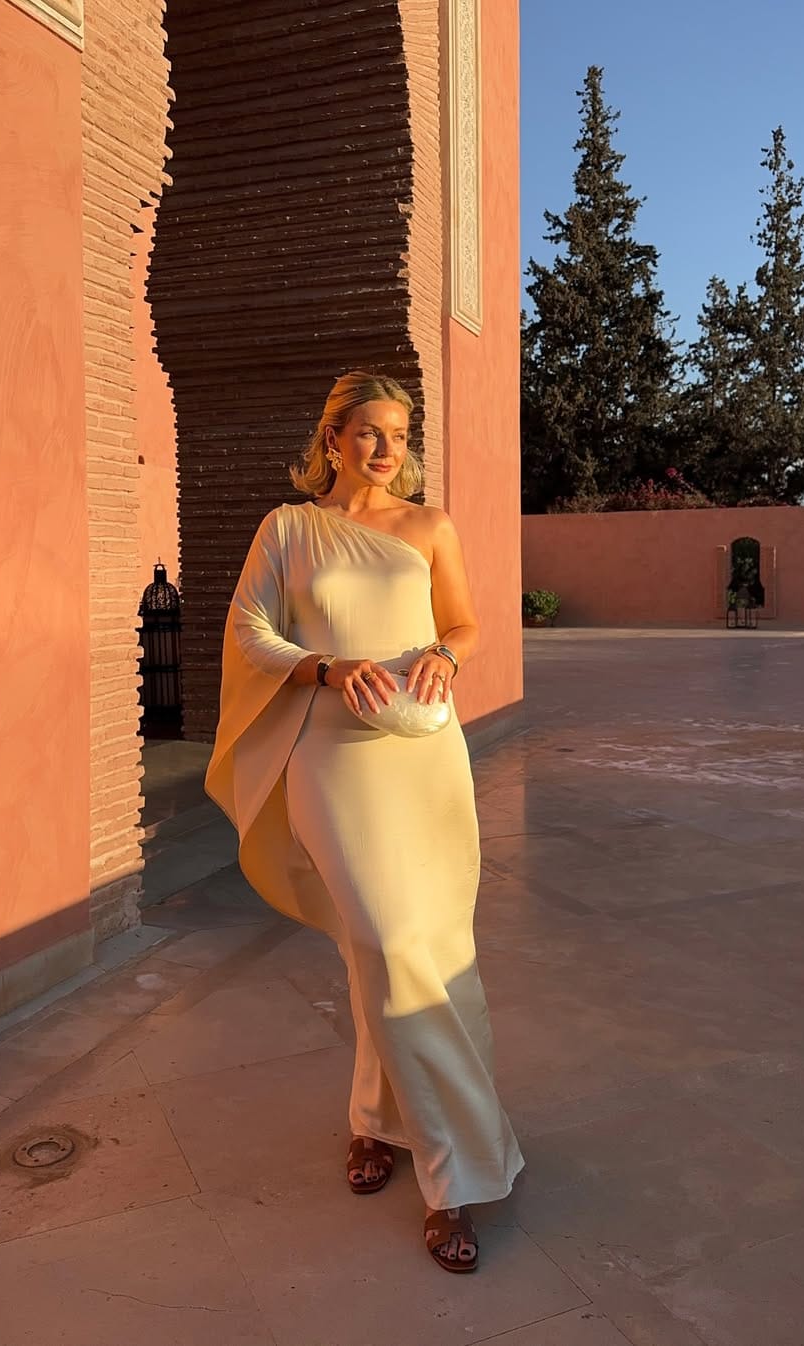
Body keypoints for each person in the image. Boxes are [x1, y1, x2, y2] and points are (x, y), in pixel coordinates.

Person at [206, 370, 524, 1273]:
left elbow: (465, 626)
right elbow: (248, 628)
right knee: (386, 941)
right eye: (368, 432)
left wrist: (443, 659)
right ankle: (453, 1177)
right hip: (332, 759)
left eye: (398, 434)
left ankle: (374, 1123)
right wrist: (323, 666)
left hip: (424, 757)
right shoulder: (288, 528)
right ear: (333, 437)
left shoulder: (430, 526)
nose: (386, 449)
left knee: (408, 950)